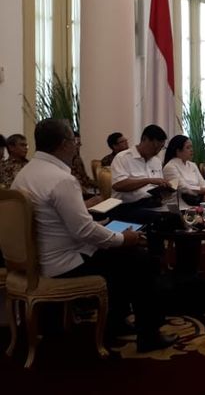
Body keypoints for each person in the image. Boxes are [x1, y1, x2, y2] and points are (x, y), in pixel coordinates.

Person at [11, 119, 176, 352]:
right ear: (63, 144)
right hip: (65, 262)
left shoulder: (26, 174)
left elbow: (52, 218)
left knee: (124, 255)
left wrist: (85, 209)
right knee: (144, 261)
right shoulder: (61, 179)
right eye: (74, 141)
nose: (77, 146)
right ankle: (149, 335)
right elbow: (84, 231)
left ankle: (116, 322)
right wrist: (122, 238)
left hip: (40, 257)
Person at [109, 125, 172, 222]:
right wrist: (148, 180)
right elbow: (118, 185)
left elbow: (157, 187)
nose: (156, 151)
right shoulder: (123, 157)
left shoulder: (156, 161)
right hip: (127, 207)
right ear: (144, 139)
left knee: (177, 215)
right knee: (160, 219)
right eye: (154, 146)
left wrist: (165, 189)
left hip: (152, 204)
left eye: (160, 148)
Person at [162, 135, 205, 204]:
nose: (191, 150)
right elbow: (183, 188)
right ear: (178, 151)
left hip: (197, 203)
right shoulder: (170, 167)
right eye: (188, 147)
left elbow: (203, 183)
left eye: (191, 147)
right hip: (180, 206)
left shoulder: (192, 165)